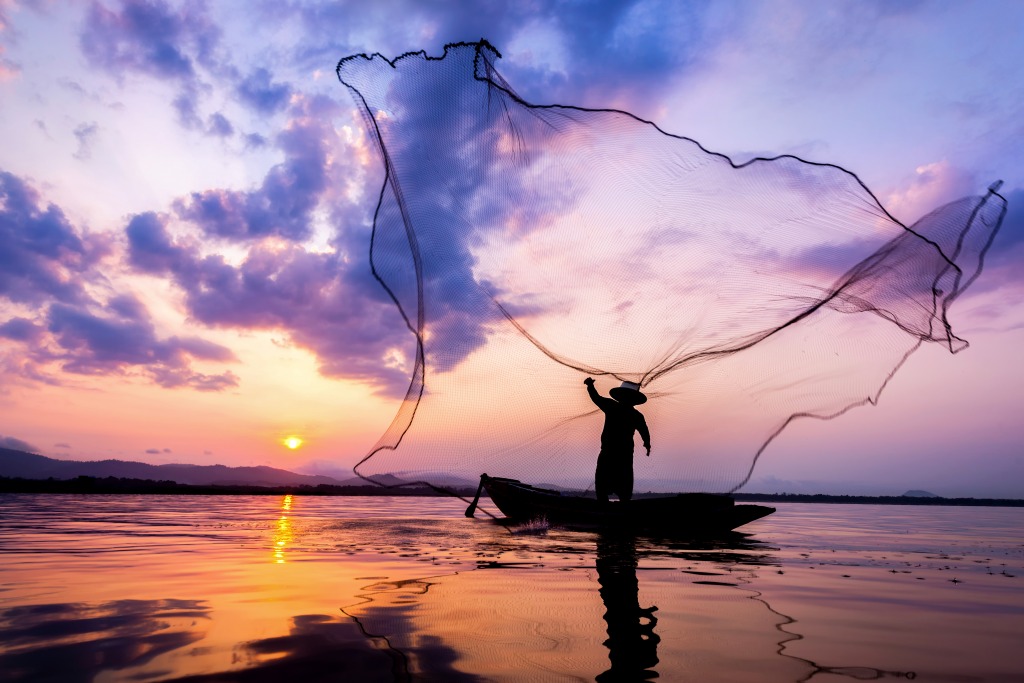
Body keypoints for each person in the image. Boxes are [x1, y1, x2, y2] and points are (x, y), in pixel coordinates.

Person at [584, 377, 651, 503]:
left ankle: (608, 510)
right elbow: (645, 432)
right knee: (614, 488)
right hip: (618, 455)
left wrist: (590, 386)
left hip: (615, 455)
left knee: (609, 487)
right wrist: (647, 444)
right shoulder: (633, 414)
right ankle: (613, 510)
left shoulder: (613, 407)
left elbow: (596, 398)